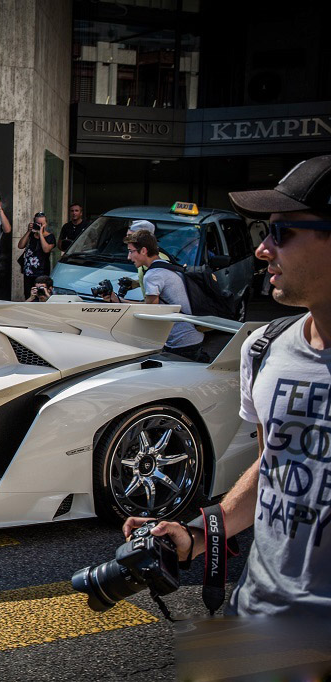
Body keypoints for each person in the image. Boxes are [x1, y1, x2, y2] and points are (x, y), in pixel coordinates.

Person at [123, 154, 331, 618]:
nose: (262, 250)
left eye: (281, 233)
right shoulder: (263, 348)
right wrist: (196, 535)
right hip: (257, 616)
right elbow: (273, 466)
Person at [105, 230, 204, 360]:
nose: (128, 257)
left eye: (131, 251)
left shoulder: (153, 275)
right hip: (192, 338)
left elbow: (150, 311)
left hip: (181, 344)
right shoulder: (167, 266)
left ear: (144, 250)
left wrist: (119, 301)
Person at [16, 212, 56, 296]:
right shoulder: (30, 235)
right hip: (28, 271)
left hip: (42, 272)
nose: (39, 226)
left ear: (46, 224)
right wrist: (28, 231)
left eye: (41, 224)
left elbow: (46, 249)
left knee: (41, 295)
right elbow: (20, 245)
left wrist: (40, 234)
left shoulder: (50, 236)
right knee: (28, 294)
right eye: (37, 223)